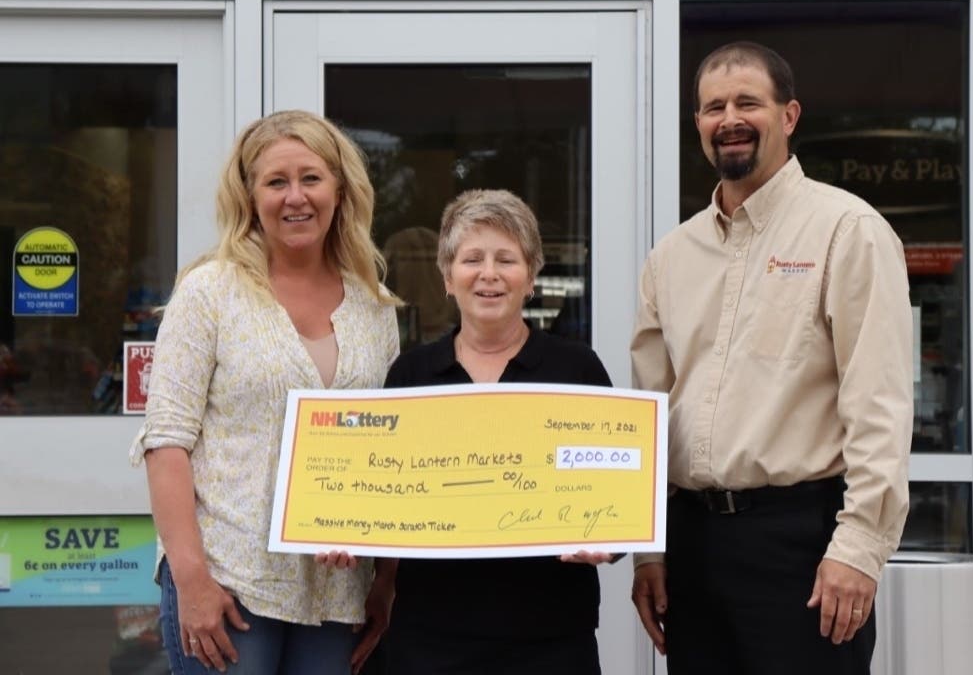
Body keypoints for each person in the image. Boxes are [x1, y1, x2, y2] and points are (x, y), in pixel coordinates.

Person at [629, 42, 913, 674]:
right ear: (699, 125)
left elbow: (880, 404)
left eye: (747, 102)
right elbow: (650, 409)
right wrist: (649, 553)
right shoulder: (670, 257)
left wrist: (860, 546)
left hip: (803, 547)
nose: (728, 117)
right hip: (692, 548)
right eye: (712, 107)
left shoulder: (848, 231)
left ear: (788, 116)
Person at [129, 110, 400, 675]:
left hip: (337, 588)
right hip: (229, 582)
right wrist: (192, 579)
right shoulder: (209, 292)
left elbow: (386, 446)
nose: (294, 197)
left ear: (340, 188)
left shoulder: (375, 305)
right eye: (276, 182)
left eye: (311, 178)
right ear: (250, 196)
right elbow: (166, 442)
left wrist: (386, 578)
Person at [377, 189, 614, 675]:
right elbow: (381, 494)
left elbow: (617, 480)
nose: (489, 273)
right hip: (430, 637)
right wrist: (343, 531)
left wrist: (612, 539)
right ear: (447, 275)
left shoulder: (576, 369)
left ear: (531, 276)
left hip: (550, 639)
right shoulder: (412, 375)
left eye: (506, 259)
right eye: (472, 259)